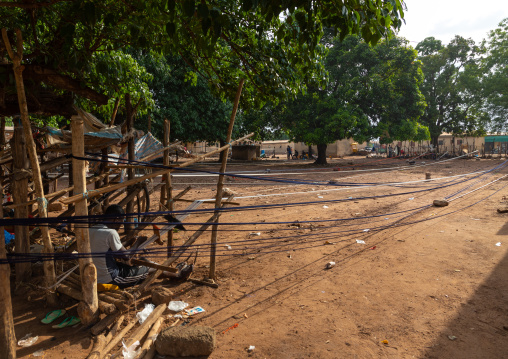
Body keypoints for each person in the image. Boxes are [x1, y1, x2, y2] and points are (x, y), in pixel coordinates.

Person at [89, 204, 188, 288]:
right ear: (116, 219)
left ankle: (173, 273)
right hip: (111, 280)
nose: (120, 226)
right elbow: (126, 256)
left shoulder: (92, 230)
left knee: (143, 261)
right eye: (121, 222)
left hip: (95, 276)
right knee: (150, 269)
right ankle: (178, 274)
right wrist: (138, 242)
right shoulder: (110, 232)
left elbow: (109, 249)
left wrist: (128, 243)